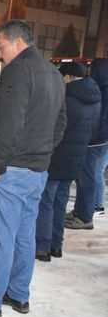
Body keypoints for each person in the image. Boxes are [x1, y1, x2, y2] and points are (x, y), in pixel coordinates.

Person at [0, 20, 67, 317]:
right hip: (38, 170)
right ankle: (19, 295)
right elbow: (61, 124)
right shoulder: (54, 73)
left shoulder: (18, 71)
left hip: (10, 170)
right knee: (24, 235)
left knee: (1, 238)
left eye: (0, 46)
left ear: (17, 43)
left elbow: (9, 123)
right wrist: (41, 154)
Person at [34, 62, 101, 262]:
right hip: (77, 158)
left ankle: (42, 247)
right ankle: (56, 246)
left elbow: (52, 127)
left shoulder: (65, 96)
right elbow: (94, 133)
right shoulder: (96, 98)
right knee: (60, 202)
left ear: (69, 77)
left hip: (56, 156)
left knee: (46, 201)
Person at [65, 58, 108, 229]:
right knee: (88, 176)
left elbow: (100, 119)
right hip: (99, 140)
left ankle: (84, 216)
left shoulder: (102, 90)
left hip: (95, 142)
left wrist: (90, 137)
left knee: (87, 178)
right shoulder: (101, 88)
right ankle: (81, 211)